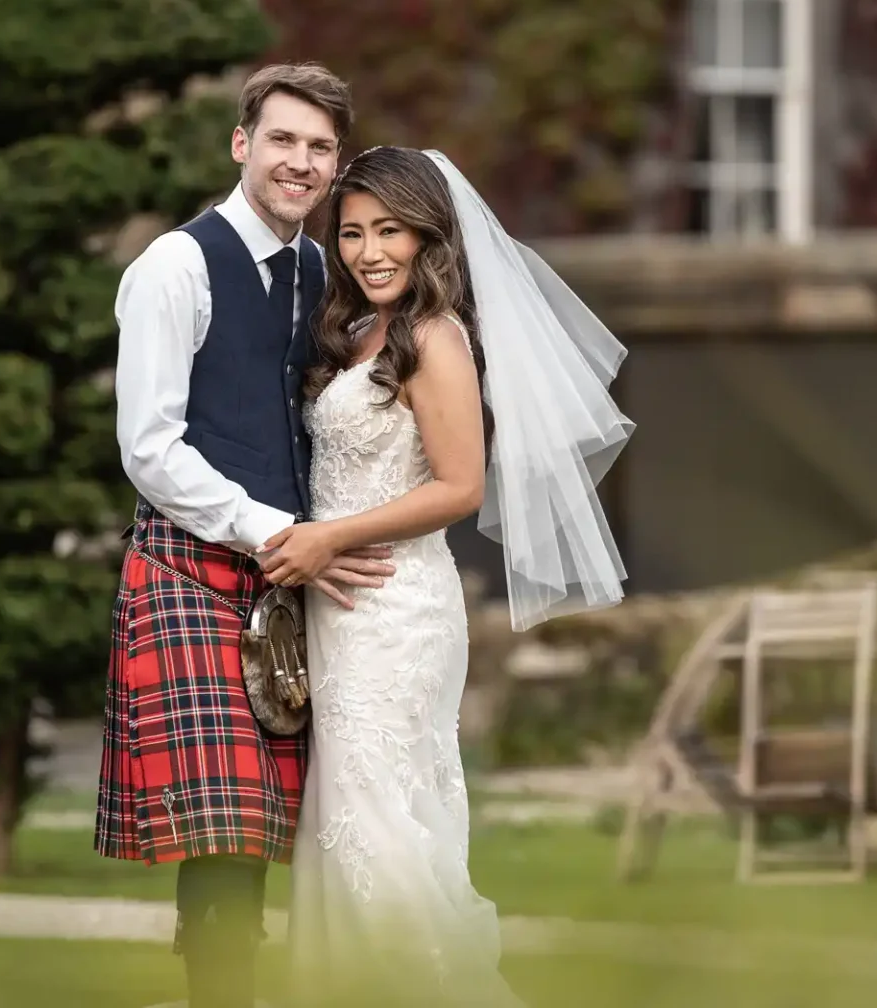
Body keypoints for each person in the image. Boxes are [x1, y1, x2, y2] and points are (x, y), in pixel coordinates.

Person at [257, 146, 633, 1006]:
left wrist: (326, 539)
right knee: (349, 831)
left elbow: (460, 487)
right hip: (339, 614)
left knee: (380, 836)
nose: (368, 251)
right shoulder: (355, 333)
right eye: (350, 233)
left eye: (389, 230)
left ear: (430, 235)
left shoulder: (435, 336)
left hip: (395, 610)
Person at [95, 63, 396, 1008]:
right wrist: (275, 530)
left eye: (319, 148)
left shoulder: (326, 272)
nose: (300, 163)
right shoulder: (173, 268)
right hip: (192, 572)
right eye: (282, 140)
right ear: (242, 144)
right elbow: (149, 447)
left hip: (298, 584)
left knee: (297, 831)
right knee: (224, 838)